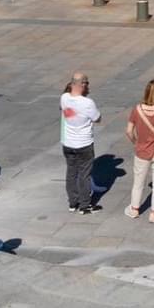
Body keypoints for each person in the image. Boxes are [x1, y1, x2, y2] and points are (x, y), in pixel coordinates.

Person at [125, 78, 154, 223]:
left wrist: (136, 142)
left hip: (142, 150)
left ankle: (134, 209)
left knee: (138, 182)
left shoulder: (137, 109)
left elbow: (129, 131)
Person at [60, 72, 102, 215]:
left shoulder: (64, 98)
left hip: (68, 143)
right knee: (84, 174)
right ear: (82, 84)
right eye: (87, 83)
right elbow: (97, 118)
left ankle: (73, 202)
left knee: (71, 172)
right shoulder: (88, 103)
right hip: (84, 143)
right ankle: (85, 205)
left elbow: (69, 115)